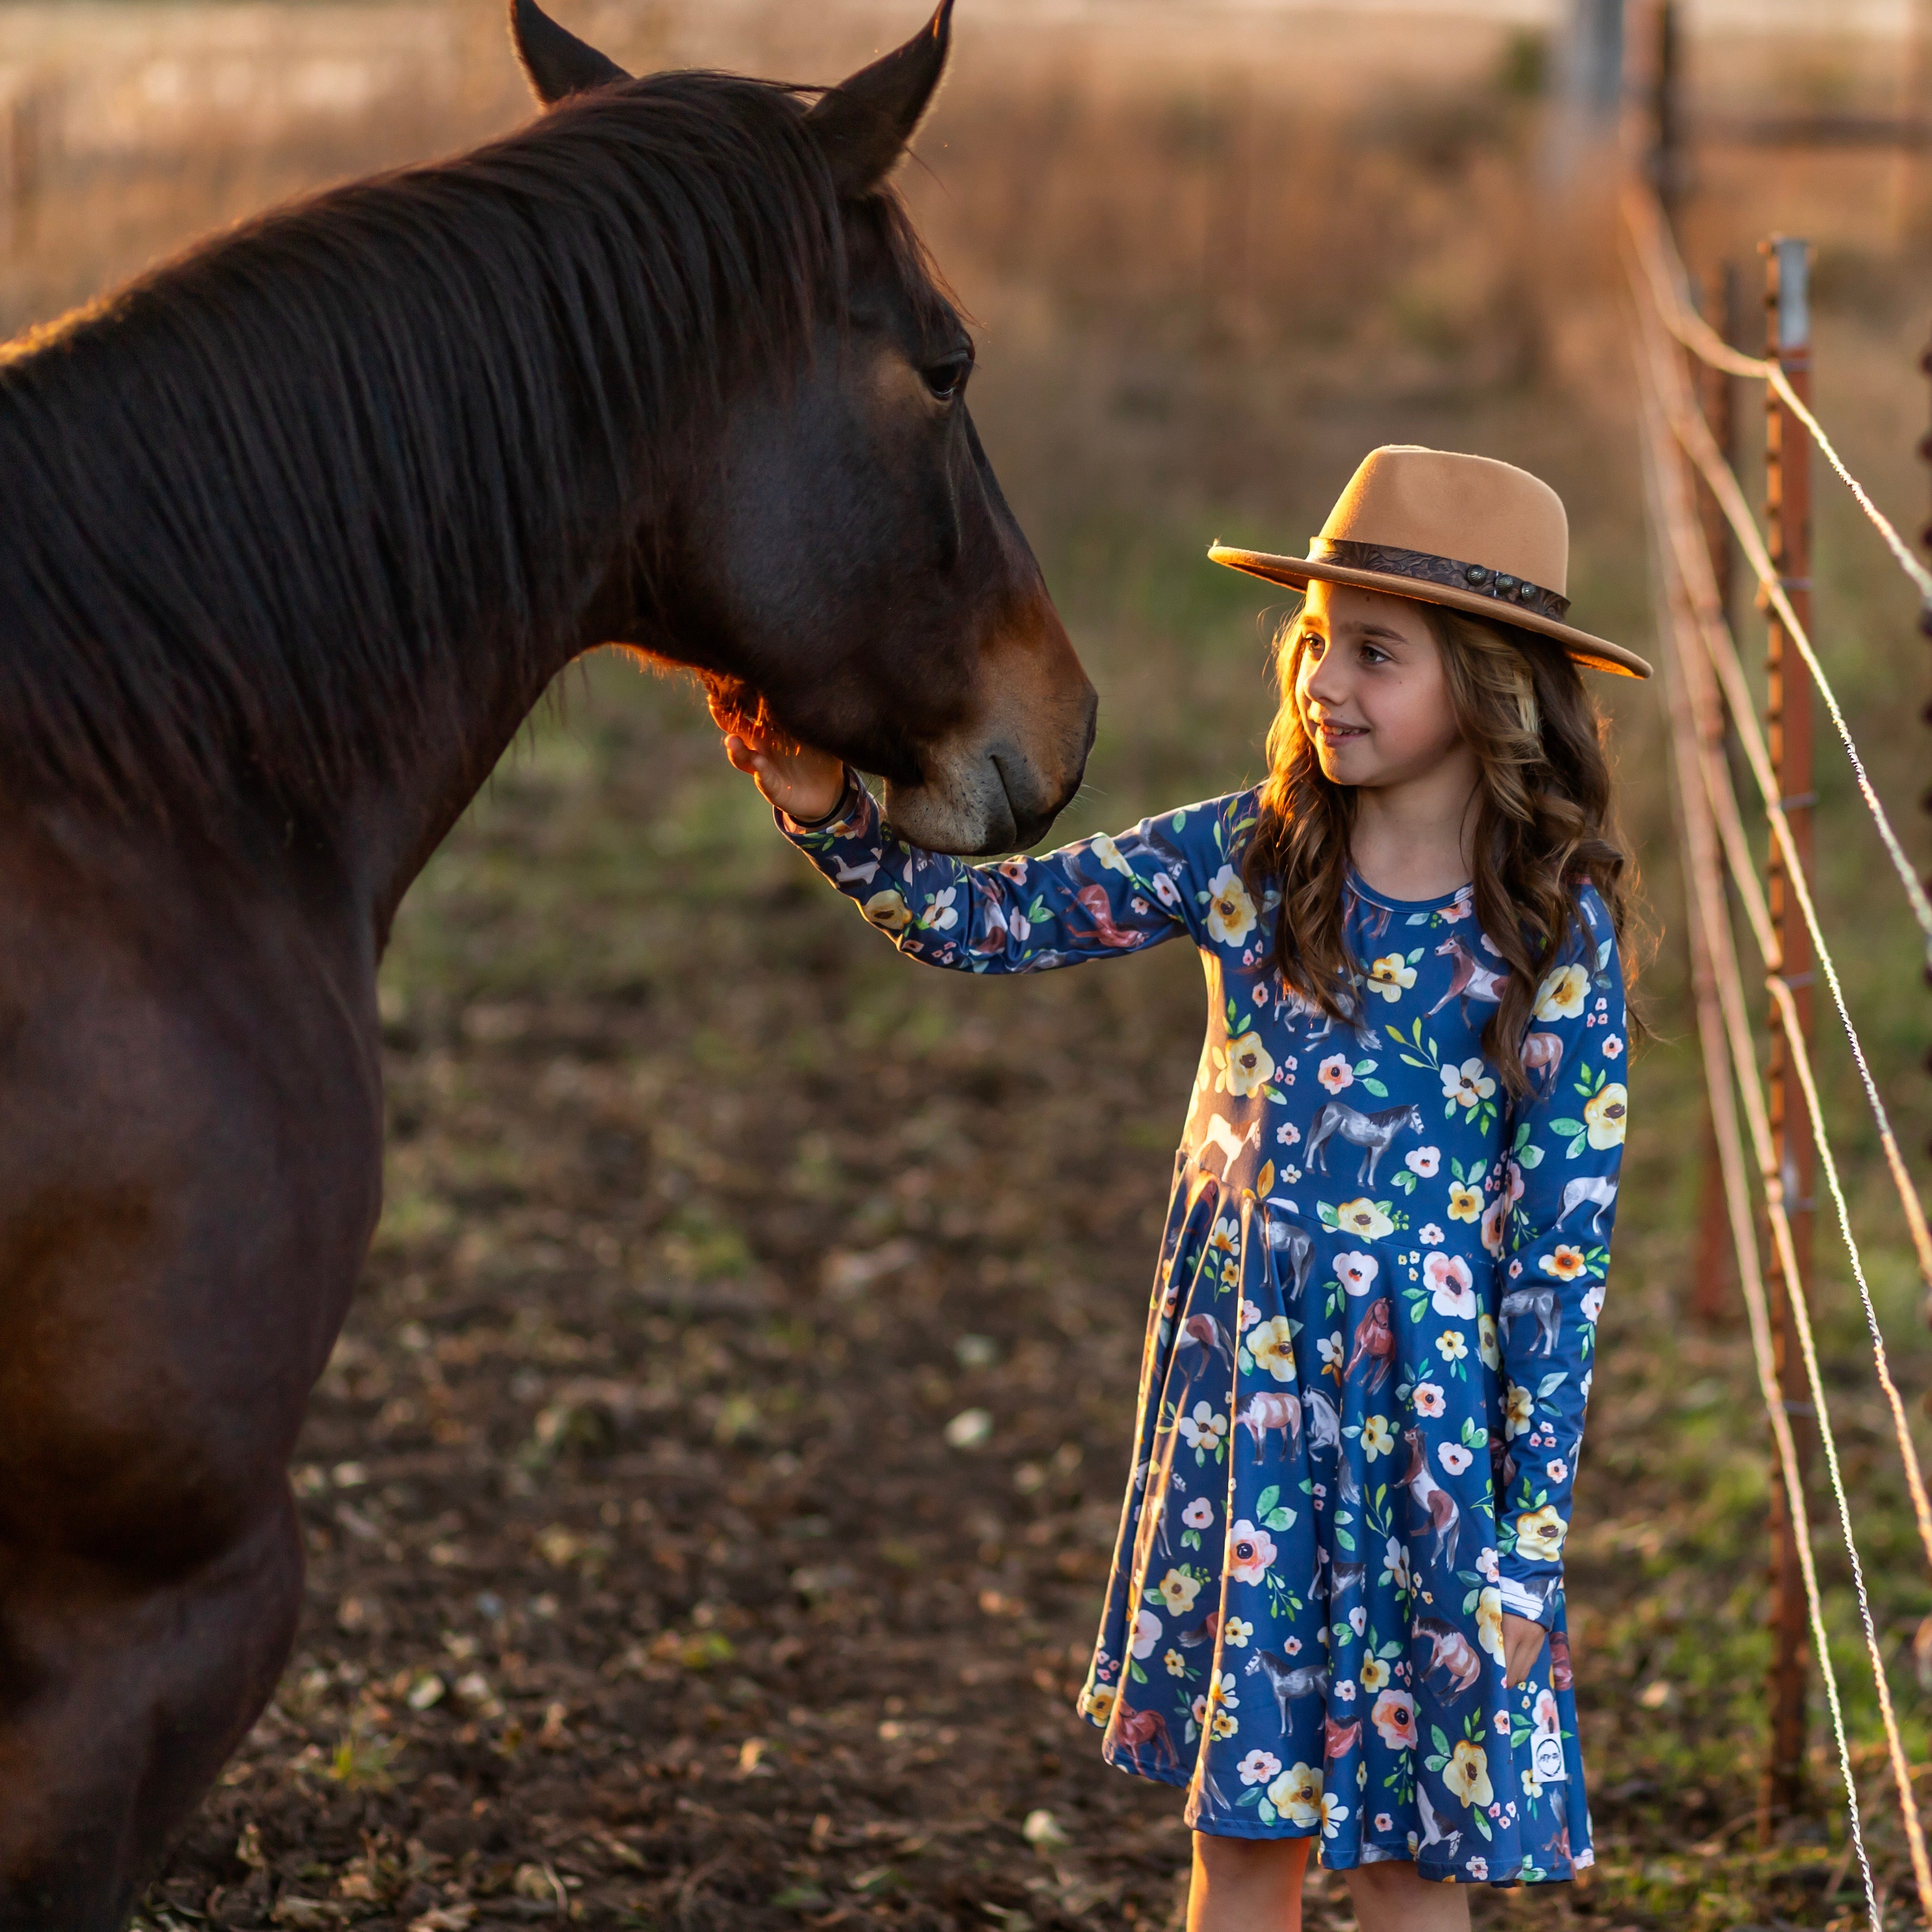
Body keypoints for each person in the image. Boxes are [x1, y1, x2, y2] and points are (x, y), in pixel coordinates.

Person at [720, 446, 1648, 1931]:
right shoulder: (1248, 858)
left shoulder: (1548, 930)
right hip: (1251, 1421)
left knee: (1416, 1863)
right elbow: (991, 923)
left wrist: (1528, 1553)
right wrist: (833, 816)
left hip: (1434, 1455)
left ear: (1491, 686)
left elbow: (1560, 1261)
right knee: (1247, 1840)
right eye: (1317, 642)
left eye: (1375, 653)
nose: (1324, 681)